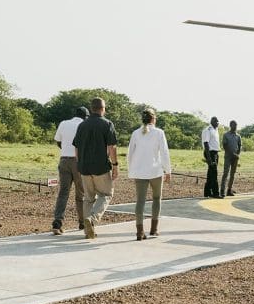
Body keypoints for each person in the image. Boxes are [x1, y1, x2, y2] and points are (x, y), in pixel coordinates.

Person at [72, 97, 119, 239]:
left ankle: (88, 231)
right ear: (103, 109)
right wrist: (115, 165)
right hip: (101, 167)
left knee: (88, 198)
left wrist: (80, 163)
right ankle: (92, 219)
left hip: (84, 167)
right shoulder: (107, 124)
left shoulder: (82, 125)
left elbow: (76, 147)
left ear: (91, 109)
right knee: (106, 194)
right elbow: (112, 147)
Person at [127, 107, 172, 240]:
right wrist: (168, 170)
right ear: (153, 119)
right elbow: (164, 153)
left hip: (140, 172)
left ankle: (139, 232)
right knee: (157, 199)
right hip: (155, 171)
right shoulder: (159, 133)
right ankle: (154, 229)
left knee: (140, 201)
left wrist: (131, 169)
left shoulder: (135, 133)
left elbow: (130, 153)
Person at [51, 106, 88, 235]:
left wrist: (66, 149)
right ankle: (83, 222)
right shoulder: (84, 125)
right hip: (78, 162)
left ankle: (57, 222)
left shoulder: (64, 123)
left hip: (64, 160)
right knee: (81, 194)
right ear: (85, 116)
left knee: (63, 193)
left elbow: (58, 142)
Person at [201, 116, 222, 198]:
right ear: (212, 122)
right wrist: (209, 158)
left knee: (210, 173)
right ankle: (215, 193)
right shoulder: (207, 130)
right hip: (210, 153)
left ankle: (207, 192)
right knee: (214, 173)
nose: (218, 123)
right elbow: (206, 144)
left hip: (215, 153)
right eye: (216, 121)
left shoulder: (215, 130)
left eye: (218, 122)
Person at [220, 120, 242, 196]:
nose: (235, 127)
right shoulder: (226, 135)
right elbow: (225, 146)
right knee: (225, 173)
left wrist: (237, 155)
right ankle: (222, 190)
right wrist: (232, 154)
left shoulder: (238, 136)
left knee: (233, 174)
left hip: (235, 158)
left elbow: (239, 146)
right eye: (233, 125)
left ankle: (229, 190)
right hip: (228, 157)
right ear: (230, 126)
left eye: (236, 125)